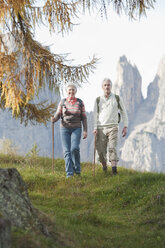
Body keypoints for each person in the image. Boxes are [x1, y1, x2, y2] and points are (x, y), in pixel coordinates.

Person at [51, 83, 87, 178]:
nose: (71, 92)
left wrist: (85, 130)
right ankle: (69, 174)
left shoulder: (80, 102)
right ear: (67, 92)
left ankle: (77, 170)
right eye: (69, 90)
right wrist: (54, 119)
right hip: (64, 128)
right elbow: (58, 114)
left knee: (74, 148)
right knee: (66, 151)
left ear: (75, 91)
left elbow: (84, 117)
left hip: (77, 128)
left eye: (73, 90)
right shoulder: (63, 102)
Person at [93, 78, 128, 175]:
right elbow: (95, 115)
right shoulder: (98, 100)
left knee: (112, 148)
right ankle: (104, 167)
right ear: (102, 87)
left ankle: (114, 170)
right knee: (100, 151)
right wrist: (95, 127)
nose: (107, 87)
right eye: (105, 85)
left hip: (113, 127)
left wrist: (125, 126)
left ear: (111, 86)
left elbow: (123, 112)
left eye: (108, 85)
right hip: (101, 128)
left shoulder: (117, 98)